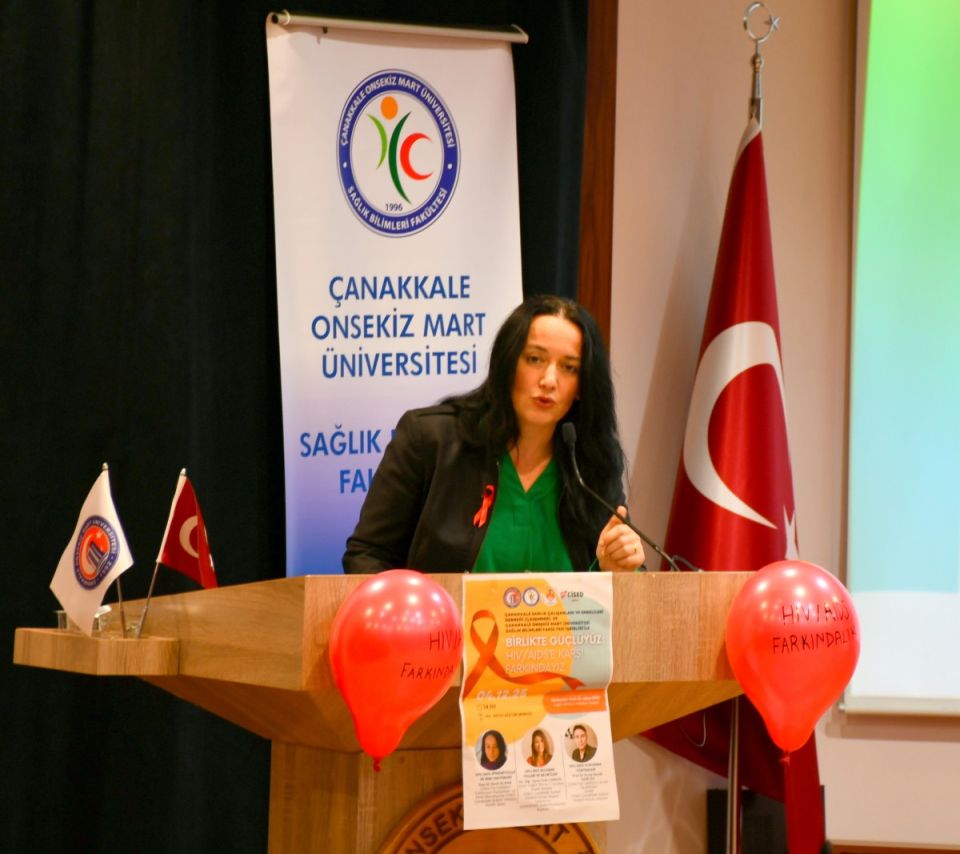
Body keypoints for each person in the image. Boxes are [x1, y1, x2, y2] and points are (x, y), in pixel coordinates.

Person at [342, 294, 646, 574]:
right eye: (535, 359)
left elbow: (629, 579)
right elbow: (367, 555)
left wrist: (615, 571)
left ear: (582, 386)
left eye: (569, 368)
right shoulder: (431, 440)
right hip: (442, 619)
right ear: (507, 363)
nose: (549, 380)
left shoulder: (590, 465)